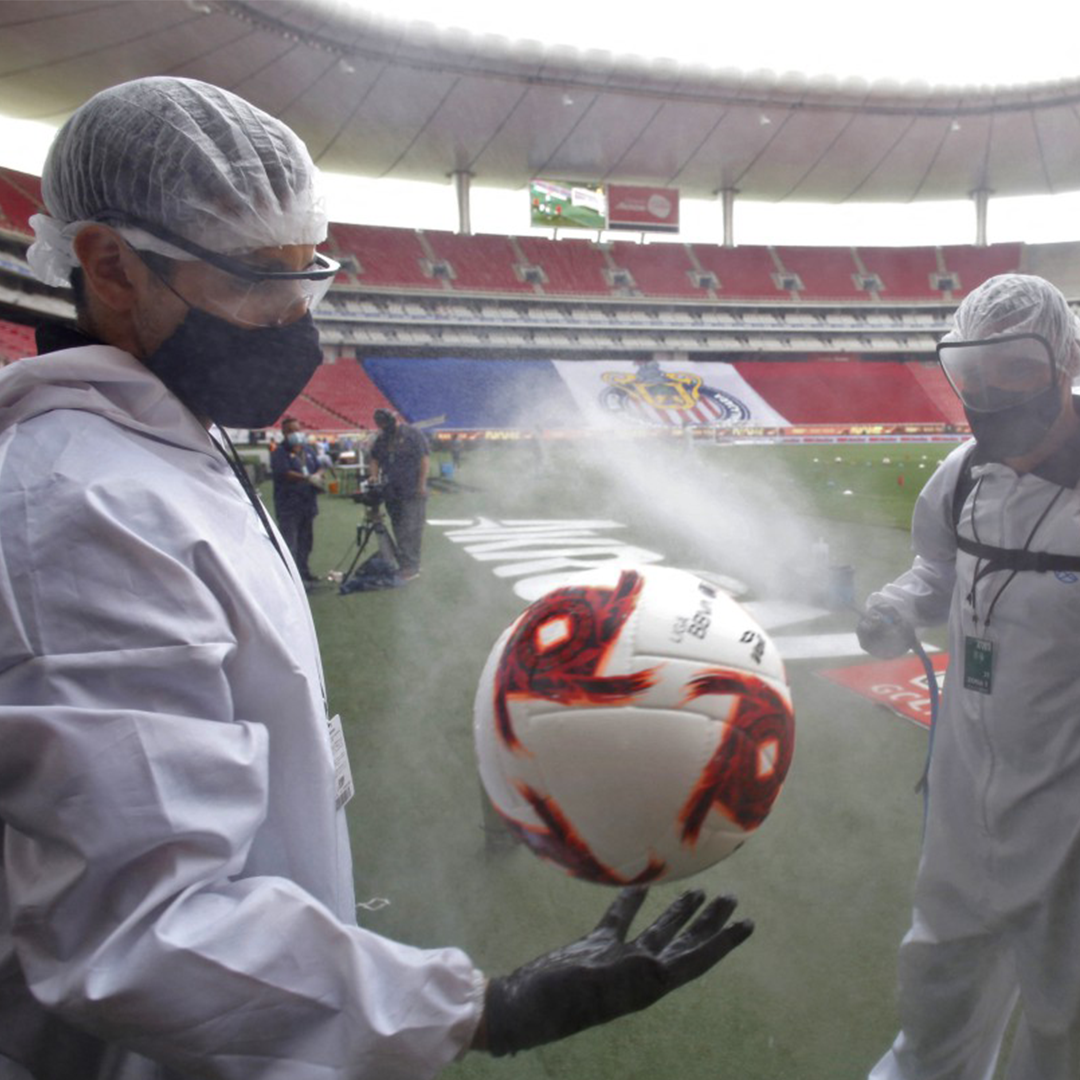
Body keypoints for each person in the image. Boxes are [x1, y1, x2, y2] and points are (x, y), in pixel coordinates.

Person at [0, 76, 753, 1080]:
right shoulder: (82, 507)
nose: (290, 319)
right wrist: (484, 1009)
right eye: (252, 281)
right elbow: (139, 928)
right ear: (109, 265)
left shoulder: (161, 451)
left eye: (303, 279)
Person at [857, 274, 1080, 1080]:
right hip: (961, 784)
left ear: (1066, 361)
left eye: (1014, 372)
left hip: (1069, 813)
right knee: (937, 974)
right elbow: (936, 571)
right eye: (973, 377)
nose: (990, 397)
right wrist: (896, 605)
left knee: (1062, 1025)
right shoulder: (959, 478)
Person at [368, 407, 429, 580]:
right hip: (392, 492)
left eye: (385, 423)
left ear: (393, 420)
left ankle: (412, 566)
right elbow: (374, 458)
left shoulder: (412, 434)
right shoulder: (382, 438)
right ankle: (405, 564)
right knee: (399, 527)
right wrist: (373, 475)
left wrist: (421, 485)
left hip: (412, 490)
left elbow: (424, 459)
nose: (383, 427)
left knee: (412, 529)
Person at [271, 415, 323, 583]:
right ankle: (290, 580)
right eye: (291, 431)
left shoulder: (307, 450)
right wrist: (307, 478)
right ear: (284, 433)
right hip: (289, 506)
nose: (295, 434)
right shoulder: (279, 452)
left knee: (306, 542)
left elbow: (319, 467)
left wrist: (317, 475)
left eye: (297, 430)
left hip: (307, 504)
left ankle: (304, 573)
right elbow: (285, 473)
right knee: (289, 544)